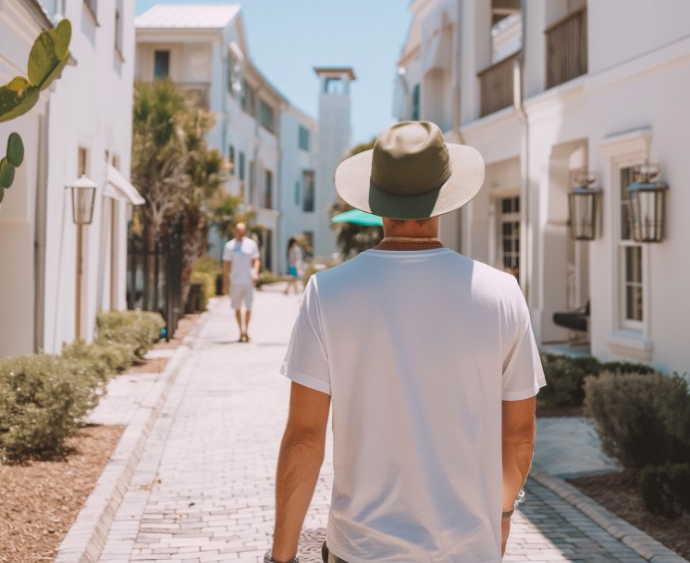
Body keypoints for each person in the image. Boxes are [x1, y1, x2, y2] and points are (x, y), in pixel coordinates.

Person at [266, 121, 546, 563]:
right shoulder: (501, 294)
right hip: (468, 550)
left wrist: (280, 558)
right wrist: (503, 513)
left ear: (377, 201)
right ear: (445, 198)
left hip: (360, 549)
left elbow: (304, 440)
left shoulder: (328, 292)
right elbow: (519, 436)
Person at [222, 222, 260, 343]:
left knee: (249, 307)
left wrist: (255, 272)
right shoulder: (229, 246)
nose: (240, 233)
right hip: (236, 281)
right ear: (235, 231)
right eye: (238, 231)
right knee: (237, 307)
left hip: (248, 281)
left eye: (242, 231)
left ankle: (246, 331)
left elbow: (256, 260)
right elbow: (226, 265)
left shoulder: (251, 244)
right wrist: (225, 283)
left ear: (245, 231)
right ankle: (240, 331)